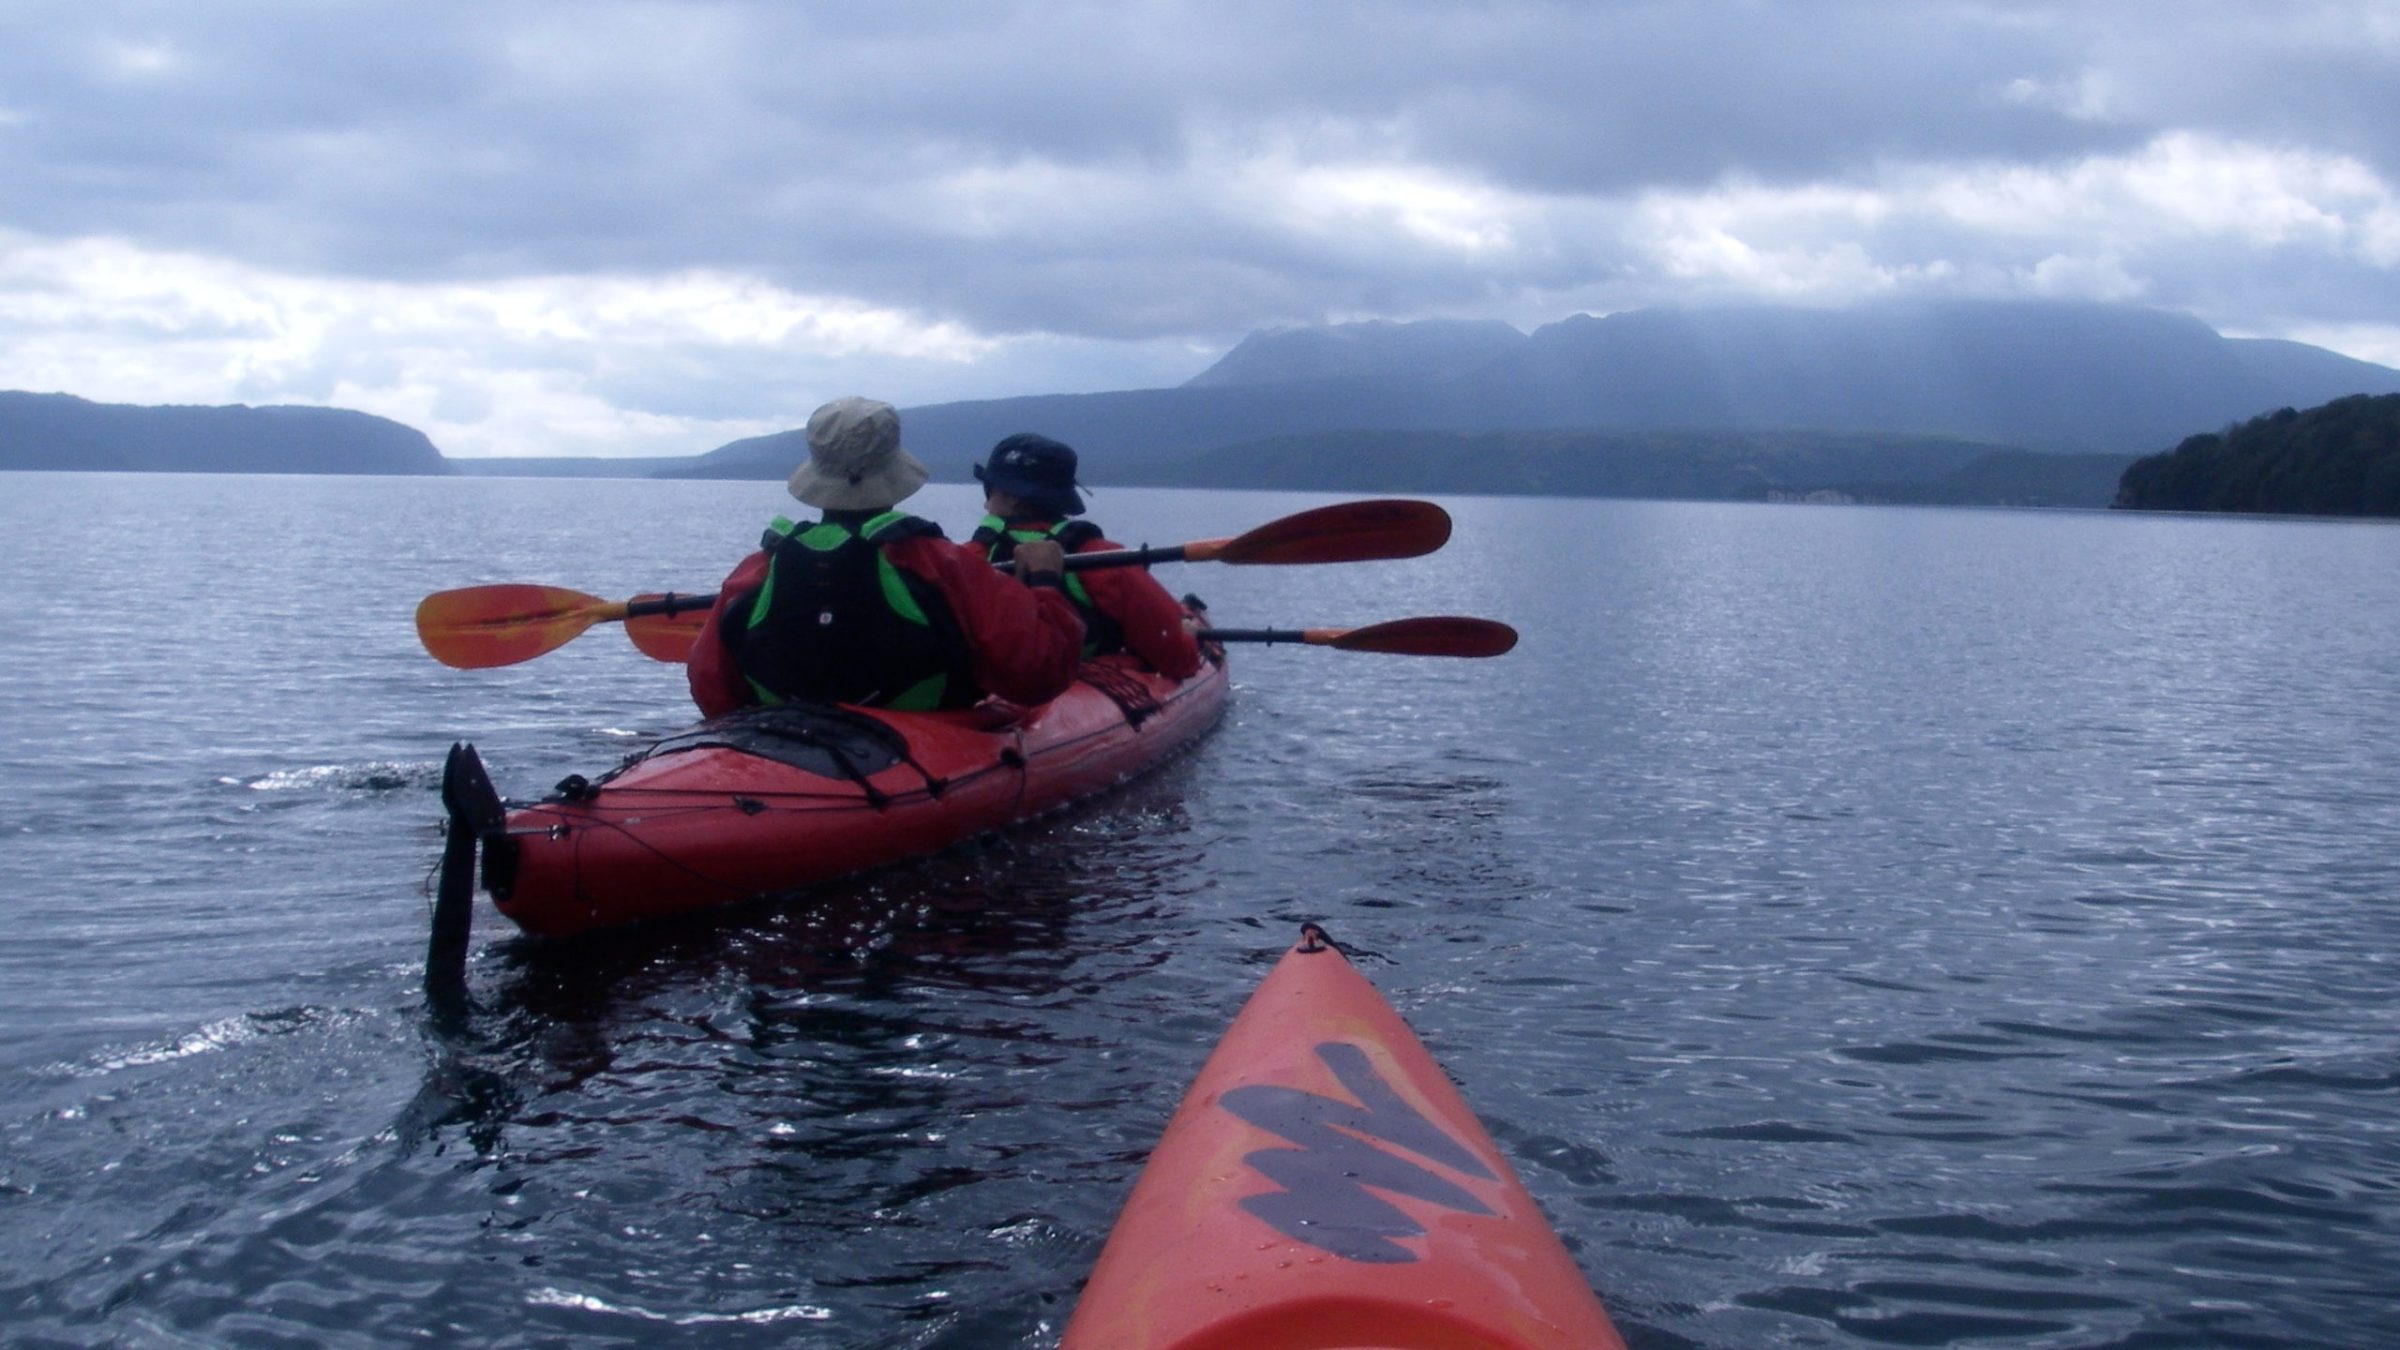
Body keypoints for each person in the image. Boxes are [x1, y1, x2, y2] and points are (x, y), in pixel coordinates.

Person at [686, 398, 1086, 718]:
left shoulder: (757, 568)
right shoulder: (943, 564)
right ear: (895, 471)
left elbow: (710, 684)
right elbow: (1039, 674)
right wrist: (1045, 583)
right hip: (923, 747)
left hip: (784, 742)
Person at [967, 433, 1203, 680]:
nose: (985, 504)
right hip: (1065, 686)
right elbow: (1179, 659)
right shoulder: (1103, 559)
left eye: (990, 491)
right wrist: (1187, 637)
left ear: (1012, 499)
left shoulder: (967, 556)